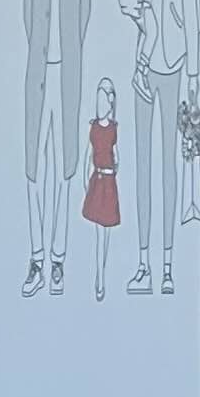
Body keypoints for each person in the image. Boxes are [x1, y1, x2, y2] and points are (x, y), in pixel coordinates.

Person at [116, 0, 200, 295]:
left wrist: (194, 66)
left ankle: (168, 263)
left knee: (172, 163)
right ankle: (145, 261)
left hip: (176, 59)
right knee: (143, 163)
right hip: (145, 60)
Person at [20, 0, 89, 297]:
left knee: (65, 166)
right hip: (38, 69)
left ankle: (59, 257)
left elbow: (85, 2)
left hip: (68, 69)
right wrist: (41, 48)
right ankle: (35, 256)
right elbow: (28, 5)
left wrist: (71, 48)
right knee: (34, 167)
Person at [82, 76, 121, 300]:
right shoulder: (94, 128)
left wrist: (114, 167)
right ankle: (99, 277)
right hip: (97, 182)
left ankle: (102, 275)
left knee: (105, 233)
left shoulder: (113, 129)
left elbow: (118, 156)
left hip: (109, 183)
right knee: (99, 233)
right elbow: (89, 154)